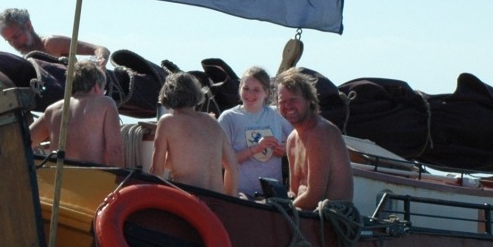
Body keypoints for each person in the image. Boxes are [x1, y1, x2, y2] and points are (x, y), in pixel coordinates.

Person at [275, 70, 353, 211]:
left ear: (309, 100)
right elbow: (293, 190)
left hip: (328, 219)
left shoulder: (320, 132)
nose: (287, 106)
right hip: (302, 216)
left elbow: (315, 195)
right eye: (282, 101)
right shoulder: (292, 139)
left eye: (293, 99)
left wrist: (284, 211)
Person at [149, 72, 237, 195]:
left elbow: (156, 172)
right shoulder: (212, 122)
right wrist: (231, 202)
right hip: (219, 201)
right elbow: (232, 166)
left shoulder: (167, 122)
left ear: (167, 95)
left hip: (190, 201)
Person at [217, 66, 294, 198]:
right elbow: (220, 161)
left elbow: (299, 144)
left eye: (256, 90)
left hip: (273, 194)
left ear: (266, 93)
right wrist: (255, 149)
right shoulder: (229, 117)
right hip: (239, 194)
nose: (250, 94)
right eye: (246, 88)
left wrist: (285, 150)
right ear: (239, 88)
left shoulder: (277, 115)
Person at [30, 63, 124, 166]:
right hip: (92, 176)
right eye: (103, 89)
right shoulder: (105, 103)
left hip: (57, 177)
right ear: (97, 86)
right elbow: (115, 150)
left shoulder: (52, 110)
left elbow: (23, 143)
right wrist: (120, 179)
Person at [0, 7, 111, 65]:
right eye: (9, 41)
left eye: (16, 37)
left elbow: (100, 49)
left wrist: (101, 65)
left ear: (28, 26)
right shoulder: (27, 61)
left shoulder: (51, 44)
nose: (14, 44)